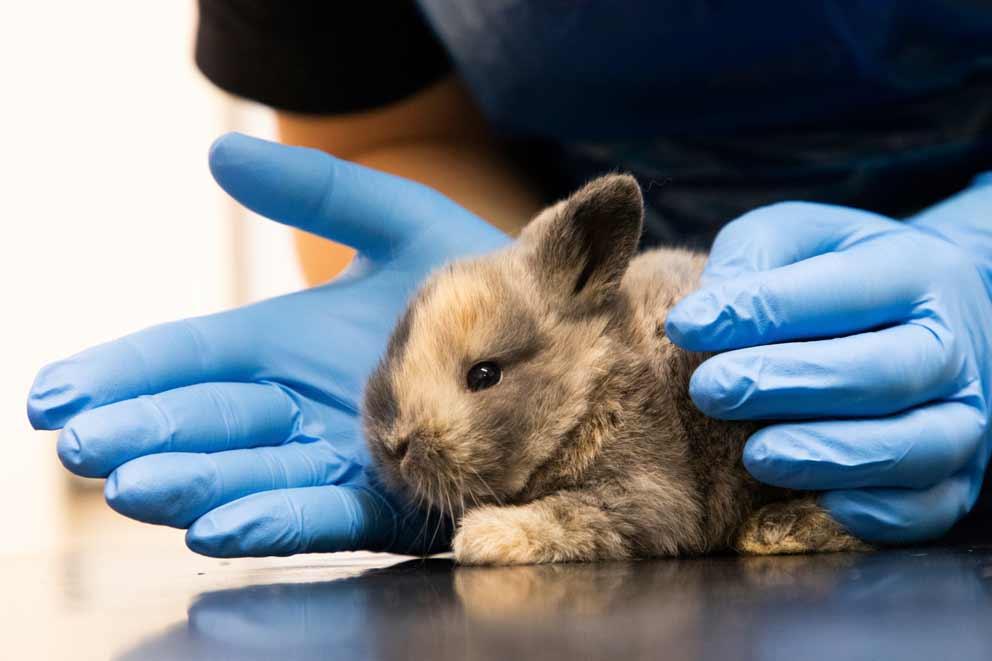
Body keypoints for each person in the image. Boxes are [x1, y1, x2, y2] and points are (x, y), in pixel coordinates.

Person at [28, 2, 992, 557]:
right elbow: (387, 131)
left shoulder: (623, 405)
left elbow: (651, 501)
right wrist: (474, 289)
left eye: (484, 377)